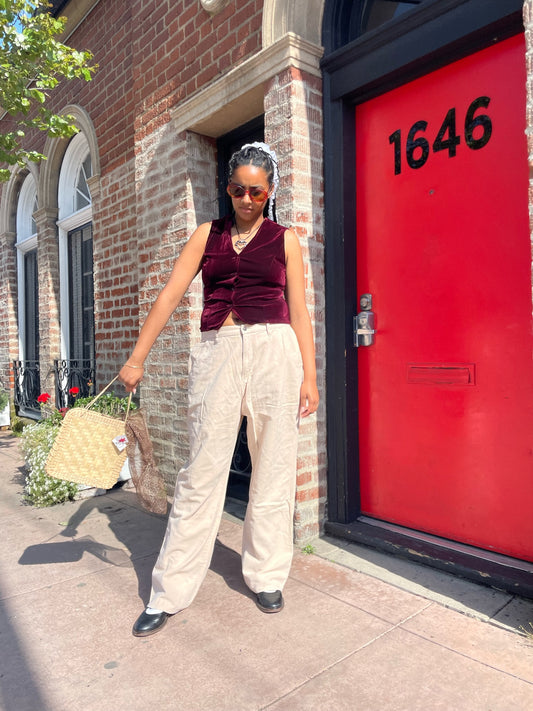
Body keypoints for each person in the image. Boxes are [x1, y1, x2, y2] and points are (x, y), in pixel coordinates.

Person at [119, 142, 319, 637]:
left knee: (272, 466)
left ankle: (266, 574)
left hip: (276, 352)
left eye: (256, 190)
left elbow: (299, 311)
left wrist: (310, 377)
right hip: (219, 351)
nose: (246, 198)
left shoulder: (285, 239)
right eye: (237, 189)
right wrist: (137, 357)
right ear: (226, 188)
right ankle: (169, 591)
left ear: (270, 191)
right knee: (201, 471)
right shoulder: (207, 234)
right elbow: (170, 293)